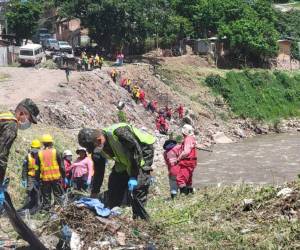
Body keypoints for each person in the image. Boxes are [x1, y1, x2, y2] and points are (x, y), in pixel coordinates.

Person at [78, 123, 155, 219]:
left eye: (93, 147)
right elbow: (99, 172)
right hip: (123, 159)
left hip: (142, 150)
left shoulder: (120, 133)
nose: (93, 151)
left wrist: (133, 176)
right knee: (114, 183)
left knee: (139, 186)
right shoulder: (97, 150)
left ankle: (140, 220)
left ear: (99, 140)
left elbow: (136, 153)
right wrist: (94, 193)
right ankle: (113, 214)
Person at [0, 98, 39, 208]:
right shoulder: (11, 124)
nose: (28, 124)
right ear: (22, 113)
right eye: (29, 119)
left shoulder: (3, 115)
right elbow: (2, 154)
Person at [37, 134, 65, 210]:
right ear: (51, 143)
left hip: (45, 178)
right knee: (57, 194)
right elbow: (62, 166)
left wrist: (38, 179)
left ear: (43, 143)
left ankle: (47, 210)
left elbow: (37, 168)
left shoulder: (39, 153)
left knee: (46, 195)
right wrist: (63, 176)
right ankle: (58, 209)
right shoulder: (56, 152)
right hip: (56, 177)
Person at [20, 139, 41, 213]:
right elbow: (25, 168)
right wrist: (24, 179)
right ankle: (28, 207)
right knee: (29, 192)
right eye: (34, 148)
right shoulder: (28, 156)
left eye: (37, 148)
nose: (35, 150)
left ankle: (37, 207)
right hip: (30, 177)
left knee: (38, 192)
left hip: (39, 177)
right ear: (32, 148)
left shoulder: (41, 156)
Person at [176, 124, 197, 195]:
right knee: (188, 180)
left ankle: (183, 195)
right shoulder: (192, 138)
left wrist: (178, 158)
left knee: (180, 179)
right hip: (191, 162)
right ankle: (190, 195)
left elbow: (186, 152)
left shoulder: (188, 139)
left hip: (187, 162)